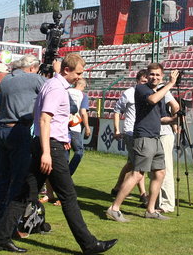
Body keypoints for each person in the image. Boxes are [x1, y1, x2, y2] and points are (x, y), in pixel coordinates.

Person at [0, 53, 117, 255]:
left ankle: (0, 237)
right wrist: (47, 153)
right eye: (78, 73)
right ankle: (89, 244)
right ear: (66, 70)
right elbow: (44, 120)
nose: (80, 77)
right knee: (68, 197)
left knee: (24, 193)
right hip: (51, 147)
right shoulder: (56, 89)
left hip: (50, 144)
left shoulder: (53, 85)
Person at [107, 63, 179, 222]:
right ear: (147, 75)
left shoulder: (158, 92)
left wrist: (175, 118)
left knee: (160, 172)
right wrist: (171, 84)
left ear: (161, 76)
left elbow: (161, 118)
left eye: (158, 75)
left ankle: (151, 210)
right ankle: (114, 208)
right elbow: (152, 100)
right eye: (152, 74)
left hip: (156, 136)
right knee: (138, 173)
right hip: (143, 137)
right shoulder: (142, 89)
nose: (154, 77)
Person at [0, 55, 44, 232]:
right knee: (19, 181)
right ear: (33, 67)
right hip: (19, 131)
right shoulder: (34, 78)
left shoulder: (5, 81)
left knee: (1, 180)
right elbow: (56, 96)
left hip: (2, 130)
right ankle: (9, 227)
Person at [110, 69, 149, 205]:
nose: (145, 83)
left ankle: (117, 188)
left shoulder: (149, 93)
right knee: (139, 165)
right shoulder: (129, 93)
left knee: (132, 163)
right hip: (130, 133)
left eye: (147, 81)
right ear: (137, 81)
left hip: (143, 132)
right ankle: (144, 194)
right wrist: (116, 129)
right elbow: (116, 111)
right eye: (143, 81)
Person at [67, 77, 91, 174]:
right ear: (82, 85)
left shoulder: (66, 91)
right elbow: (83, 112)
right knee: (79, 151)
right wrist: (87, 127)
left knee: (65, 152)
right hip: (74, 126)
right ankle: (68, 175)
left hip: (62, 126)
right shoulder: (83, 95)